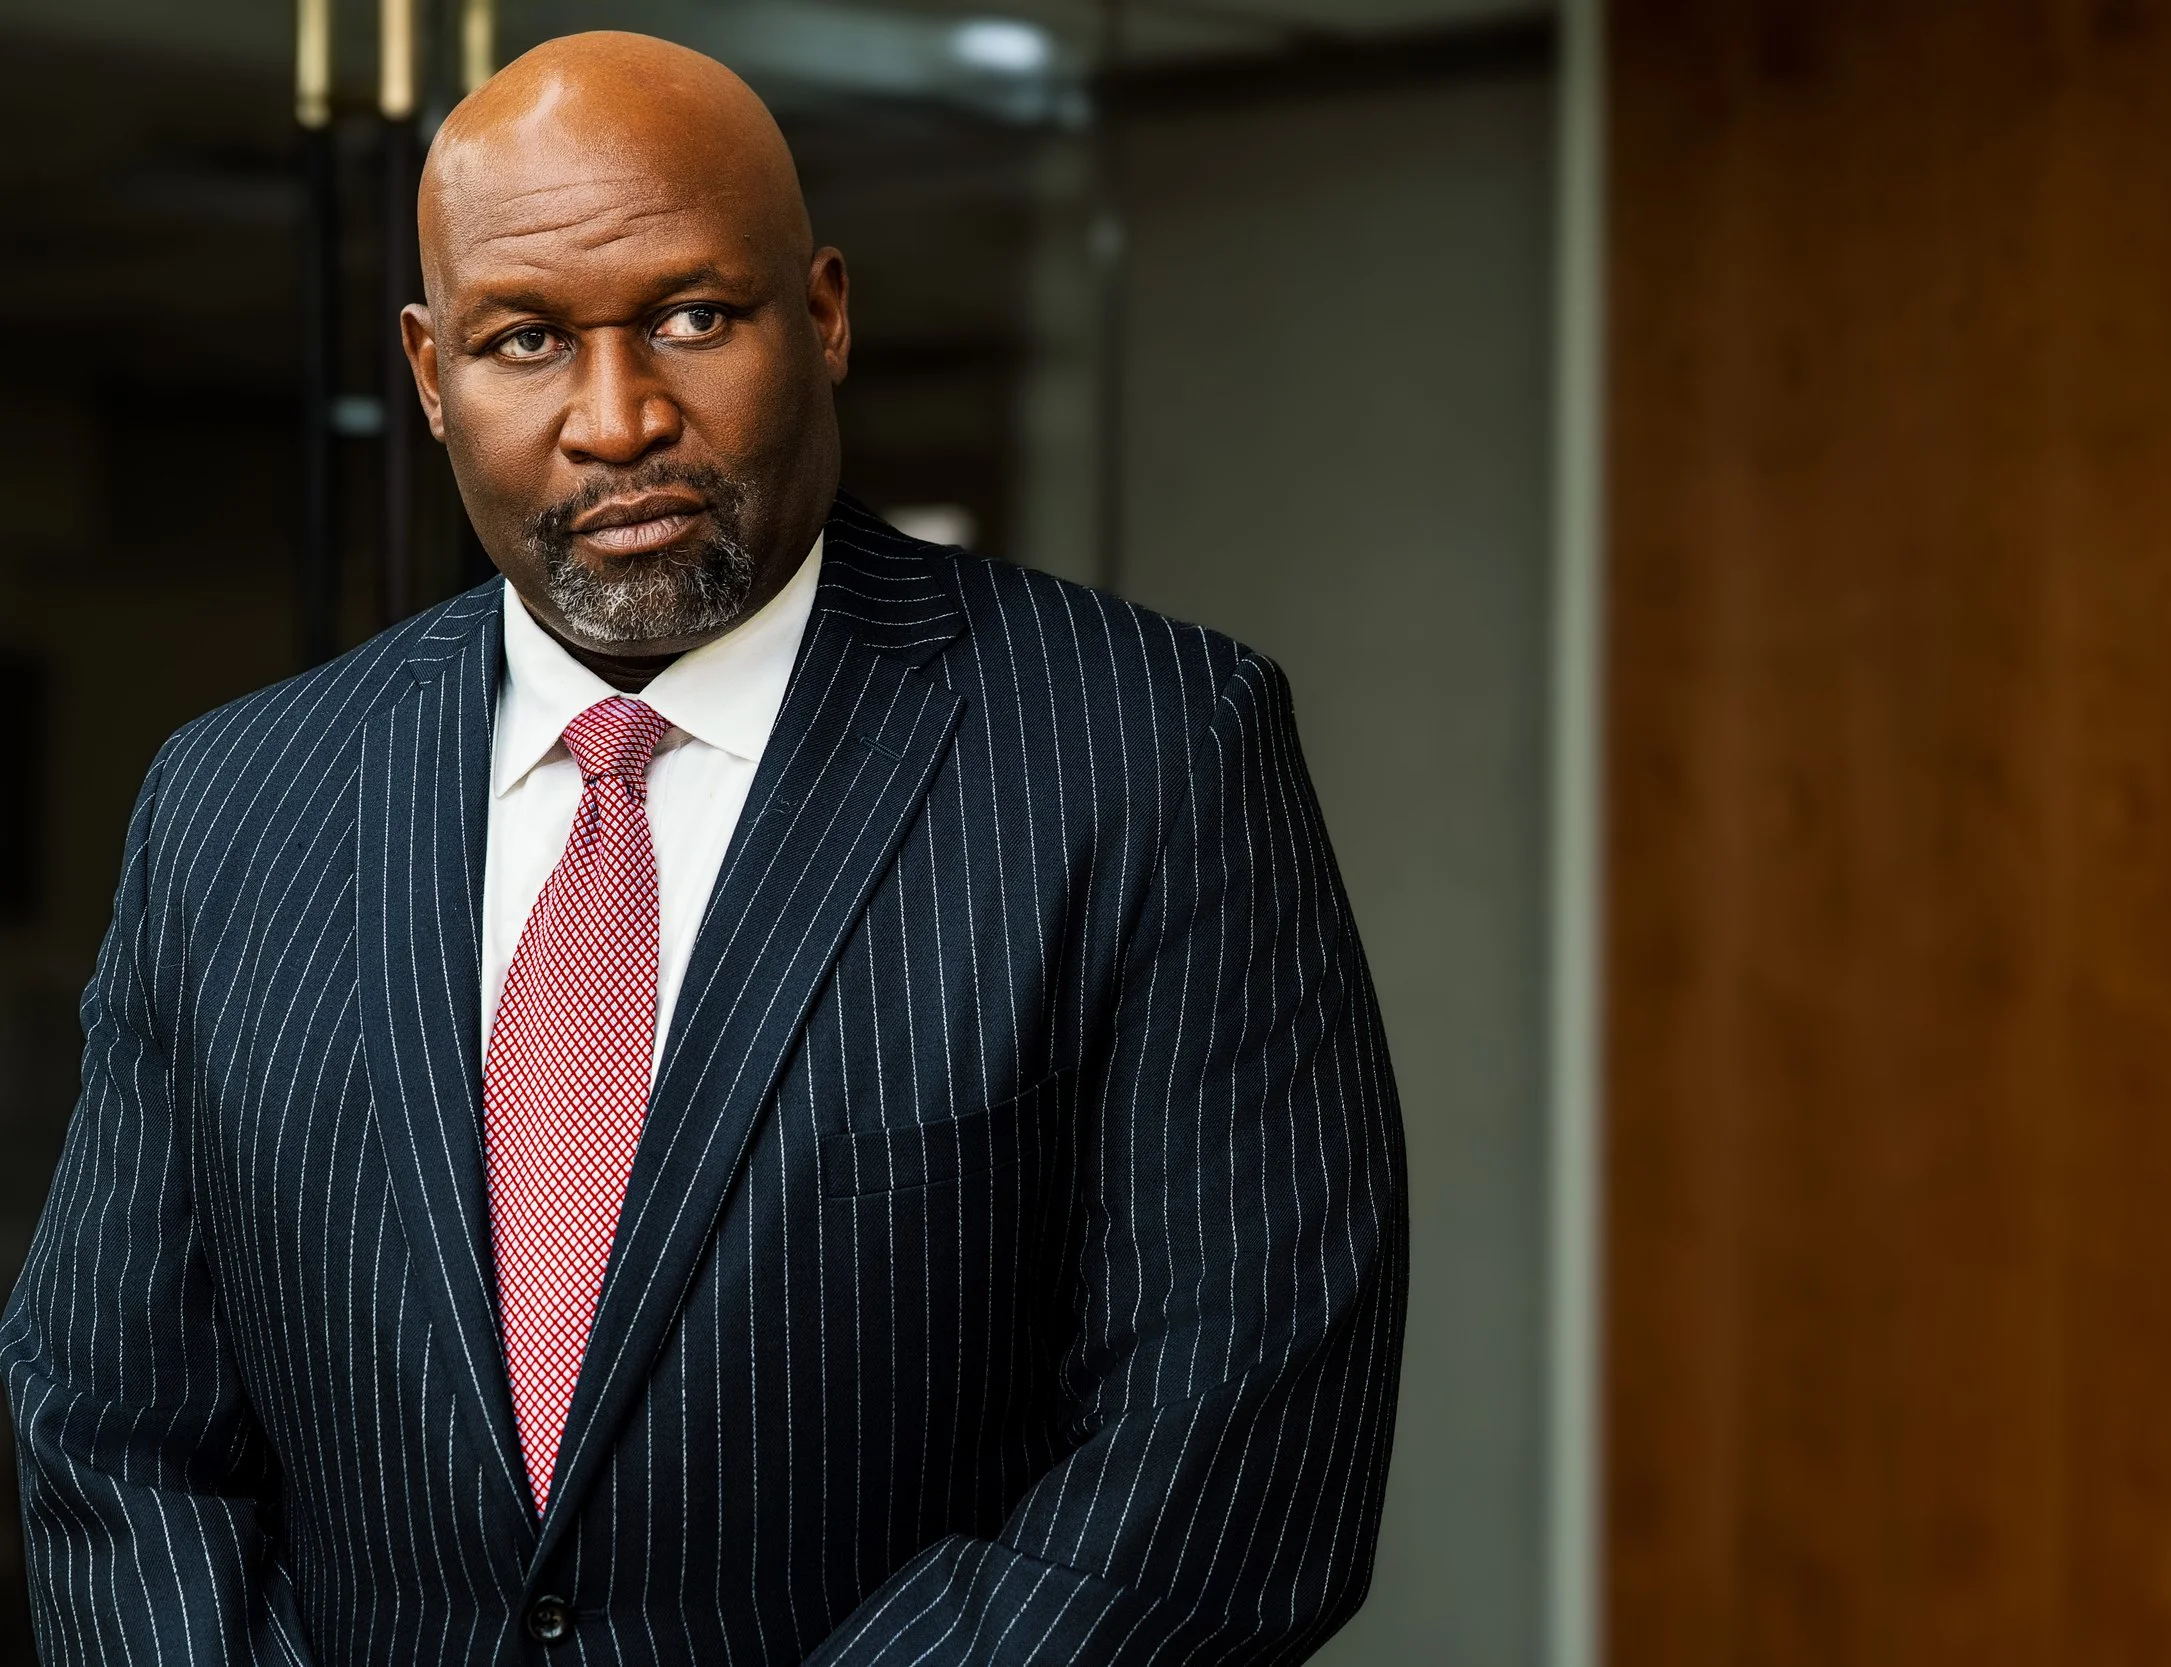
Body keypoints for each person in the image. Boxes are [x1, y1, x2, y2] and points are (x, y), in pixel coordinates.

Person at [0, 32, 1405, 1666]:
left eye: (691, 317)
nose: (620, 418)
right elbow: (111, 1422)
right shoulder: (234, 800)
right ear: (432, 371)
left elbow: (1231, 1443)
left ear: (820, 313)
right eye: (526, 340)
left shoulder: (1151, 744)